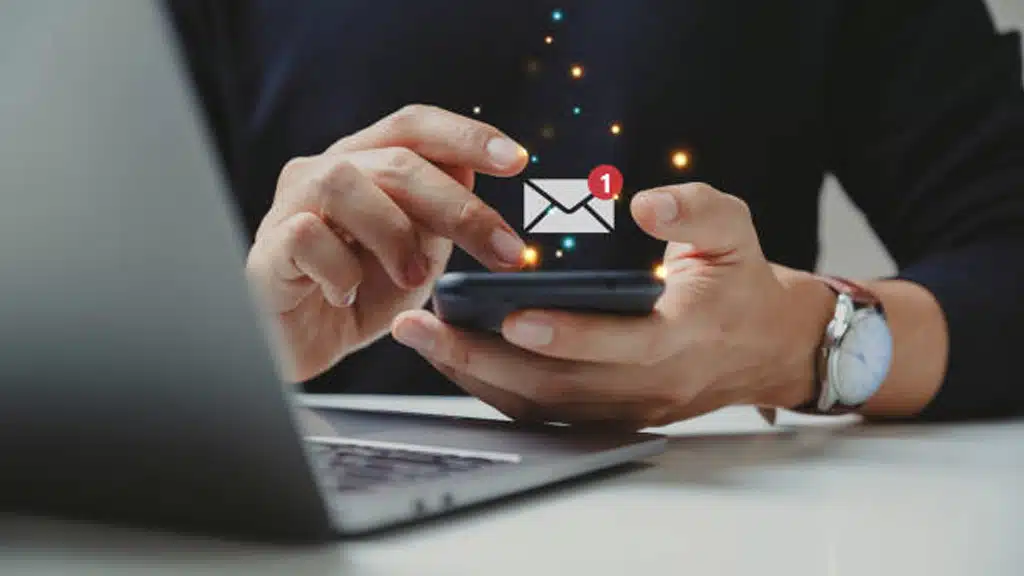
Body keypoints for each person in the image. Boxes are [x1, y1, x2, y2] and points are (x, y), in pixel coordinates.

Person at [167, 0, 1024, 428]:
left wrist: (806, 346)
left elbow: (1005, 251)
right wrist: (237, 349)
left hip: (731, 524)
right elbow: (83, 290)